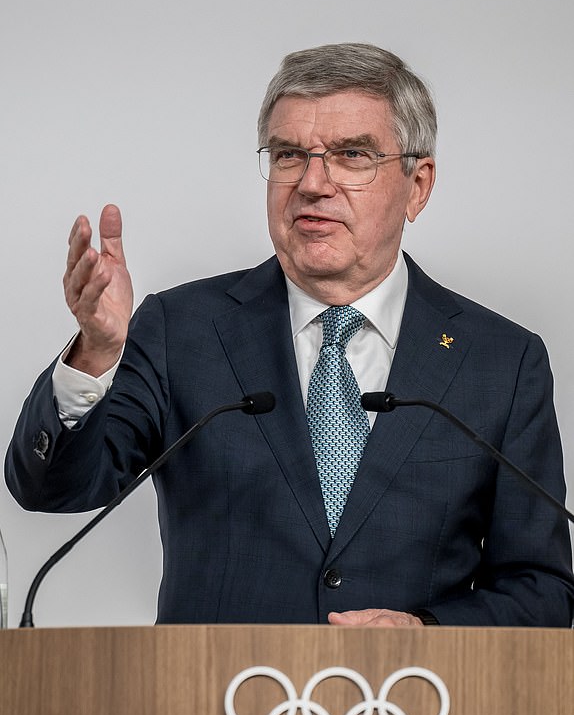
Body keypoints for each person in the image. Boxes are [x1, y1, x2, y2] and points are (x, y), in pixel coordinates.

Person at [5, 43, 574, 627]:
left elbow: (542, 590)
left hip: (414, 706)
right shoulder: (183, 328)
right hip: (209, 705)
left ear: (418, 185)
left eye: (353, 155)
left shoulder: (500, 362)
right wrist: (98, 350)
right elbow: (51, 489)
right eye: (288, 155)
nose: (312, 183)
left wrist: (426, 633)